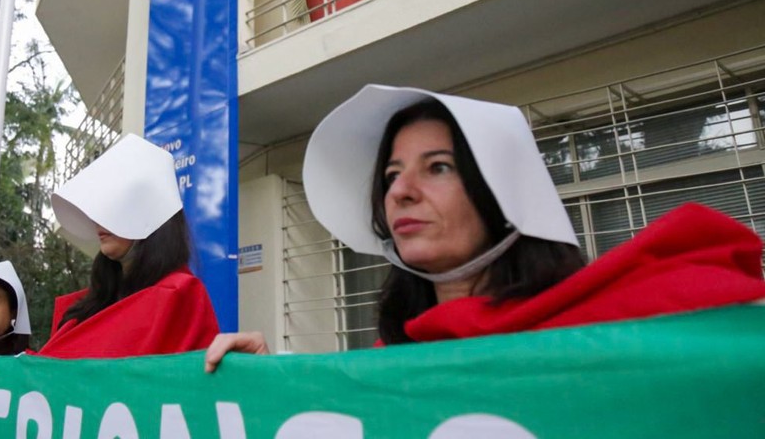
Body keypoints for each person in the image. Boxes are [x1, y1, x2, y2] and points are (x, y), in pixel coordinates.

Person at [205, 84, 765, 370]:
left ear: (502, 194)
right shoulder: (392, 353)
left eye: (439, 167)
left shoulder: (652, 325)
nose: (400, 190)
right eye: (393, 173)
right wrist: (271, 382)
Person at [37, 133, 219, 359]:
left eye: (115, 206)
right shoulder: (86, 305)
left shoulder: (180, 295)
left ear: (150, 213)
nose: (98, 221)